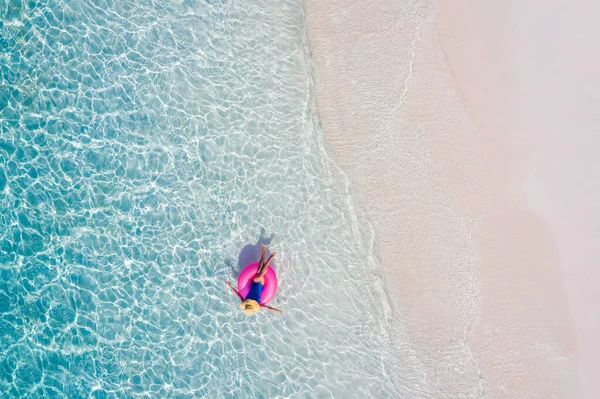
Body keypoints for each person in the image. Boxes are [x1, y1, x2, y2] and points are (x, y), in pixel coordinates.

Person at [226, 244, 283, 314]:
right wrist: (278, 311)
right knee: (260, 273)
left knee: (259, 273)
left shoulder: (244, 300)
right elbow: (268, 308)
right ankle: (266, 254)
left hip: (254, 282)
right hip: (262, 284)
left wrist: (229, 286)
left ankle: (267, 255)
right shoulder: (258, 304)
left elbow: (237, 293)